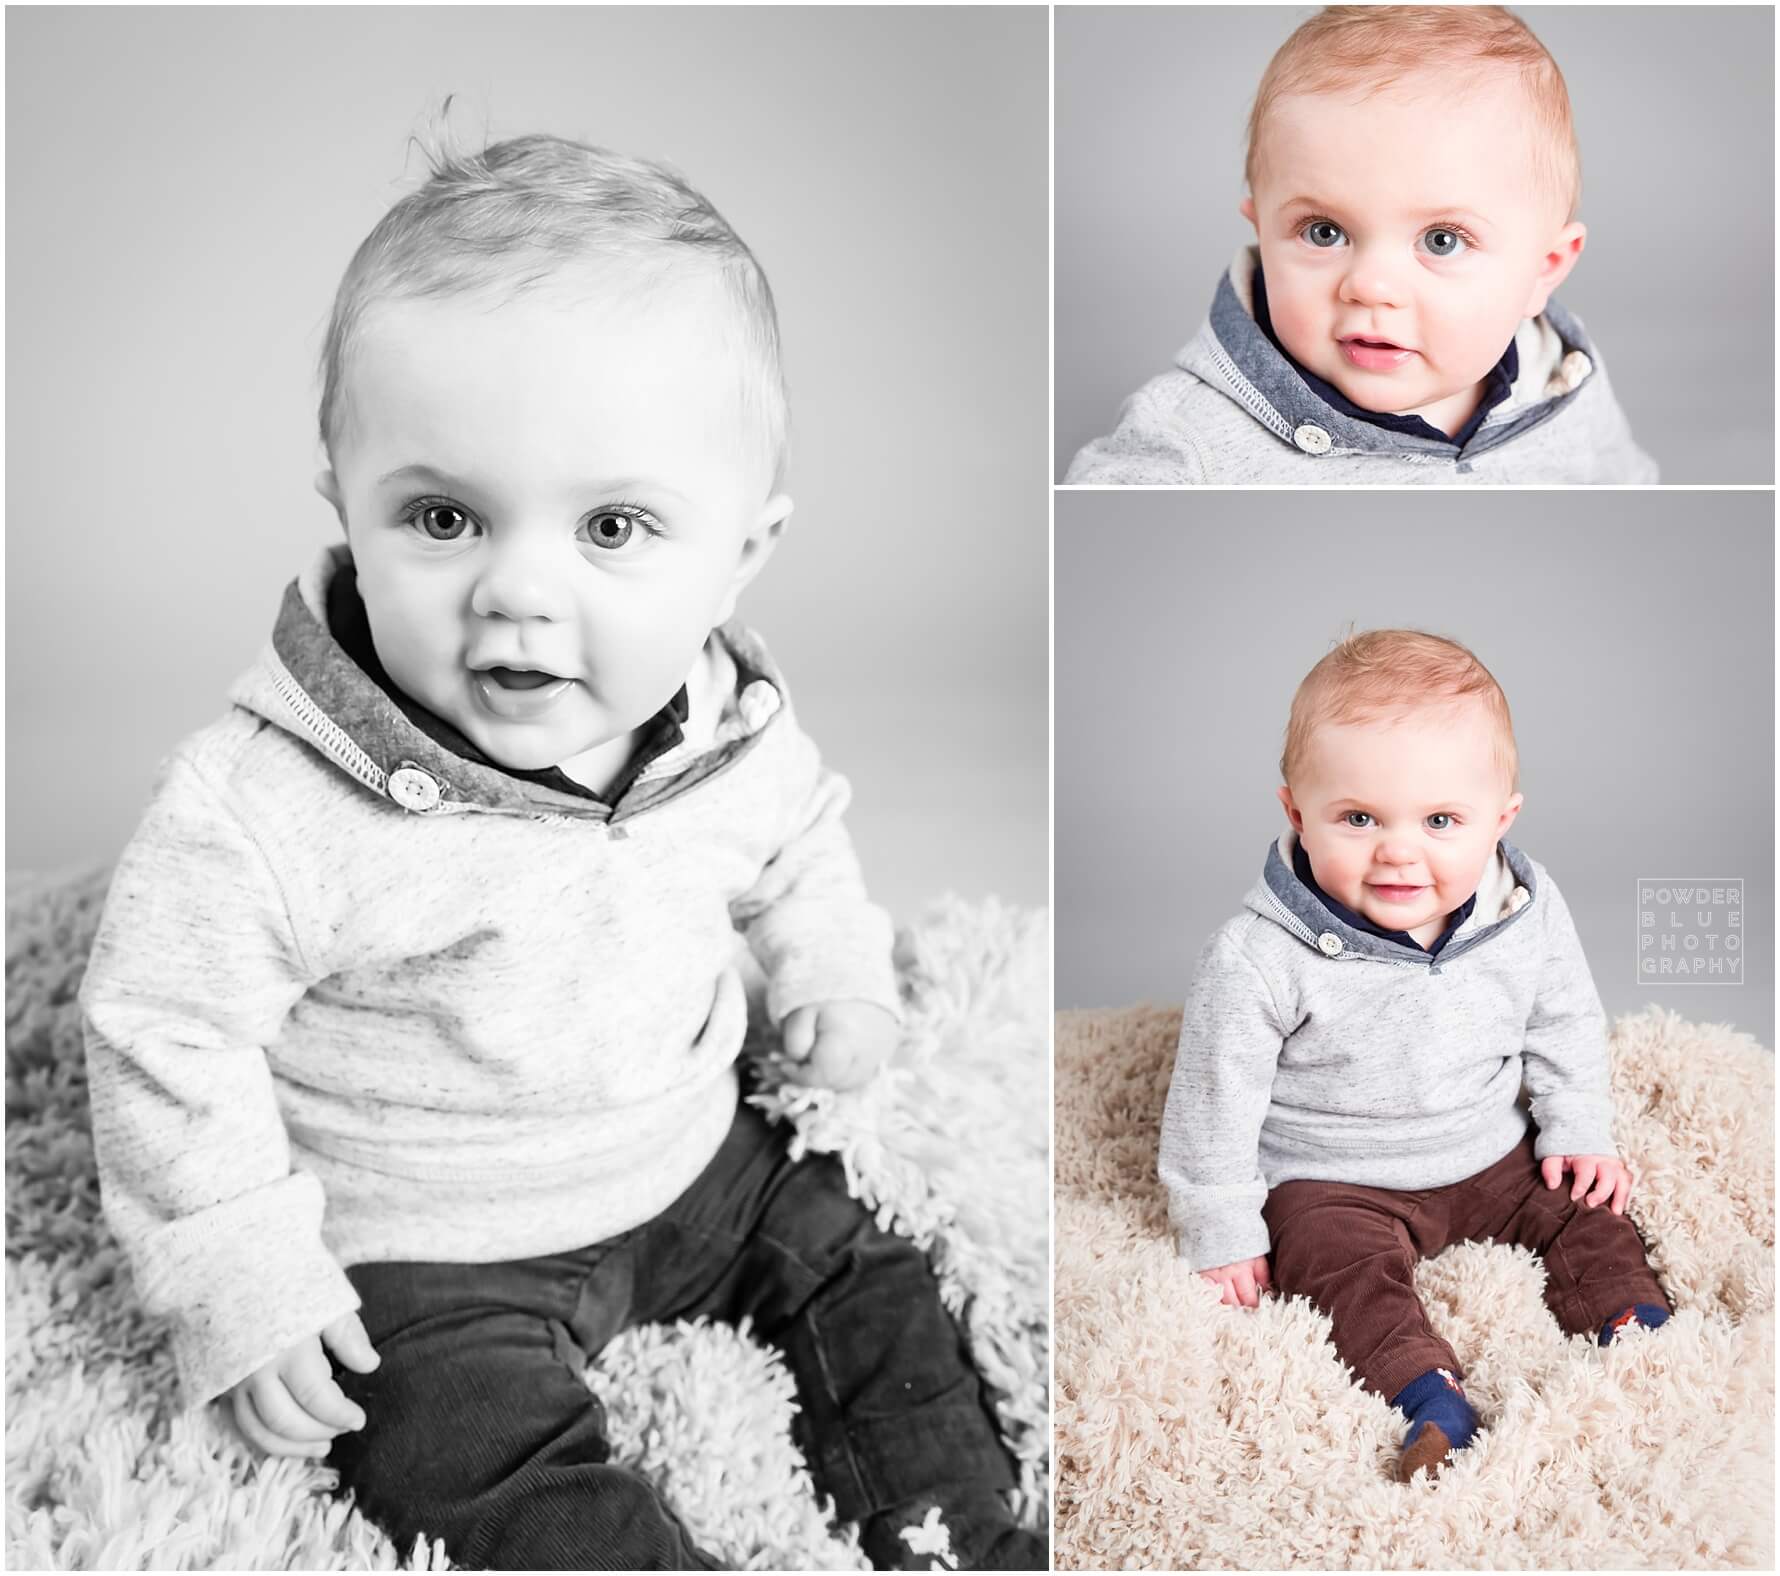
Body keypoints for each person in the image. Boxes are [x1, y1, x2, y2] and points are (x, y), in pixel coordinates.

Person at [79, 129, 1042, 1571]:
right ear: (346, 504)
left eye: (613, 526)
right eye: (445, 517)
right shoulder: (261, 803)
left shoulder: (722, 717)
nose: (519, 592)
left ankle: (960, 1536)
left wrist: (828, 968)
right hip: (420, 1242)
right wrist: (238, 1271)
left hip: (695, 1163)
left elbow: (795, 840)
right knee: (451, 1452)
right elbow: (163, 1030)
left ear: (743, 550)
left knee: (874, 1276)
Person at [1158, 629, 1671, 1482]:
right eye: (1358, 818)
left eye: (1440, 821)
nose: (1399, 851)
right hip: (1336, 1177)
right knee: (1329, 1268)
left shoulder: (1523, 910)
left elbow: (1564, 1018)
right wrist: (1218, 1225)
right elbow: (1214, 1099)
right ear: (1296, 813)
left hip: (1492, 1153)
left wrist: (1578, 1127)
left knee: (1589, 1208)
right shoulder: (1257, 955)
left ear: (1500, 819)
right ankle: (1426, 1398)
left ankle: (1633, 1331)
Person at [1067, 6, 1658, 484]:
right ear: (1262, 233)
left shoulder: (1565, 379)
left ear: (1544, 271)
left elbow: (1627, 482)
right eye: (1324, 232)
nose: (1371, 285)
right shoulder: (1187, 438)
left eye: (1442, 240)